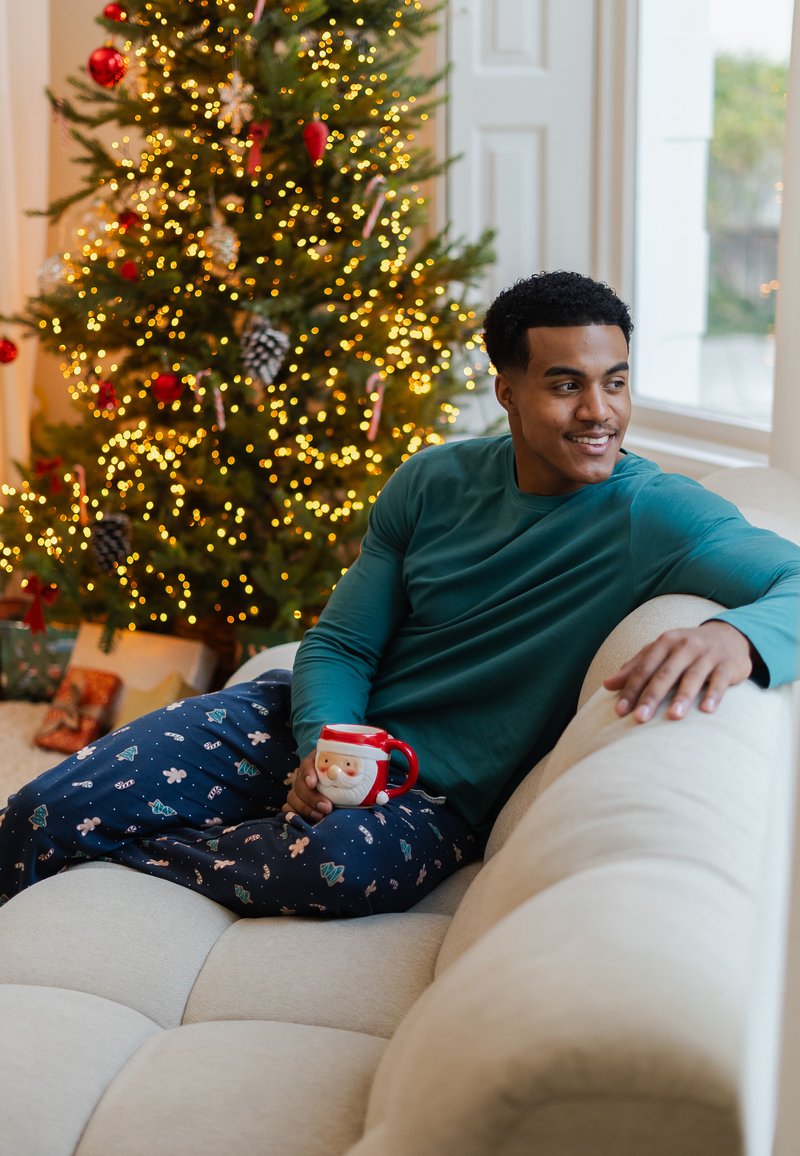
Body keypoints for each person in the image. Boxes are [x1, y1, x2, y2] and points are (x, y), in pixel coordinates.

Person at [1, 271, 798, 917]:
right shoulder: (432, 480)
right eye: (566, 386)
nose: (600, 413)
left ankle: (114, 859)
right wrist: (322, 745)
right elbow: (344, 643)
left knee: (333, 868)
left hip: (435, 797)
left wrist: (739, 639)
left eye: (615, 383)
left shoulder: (654, 513)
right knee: (39, 811)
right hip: (307, 725)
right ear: (508, 392)